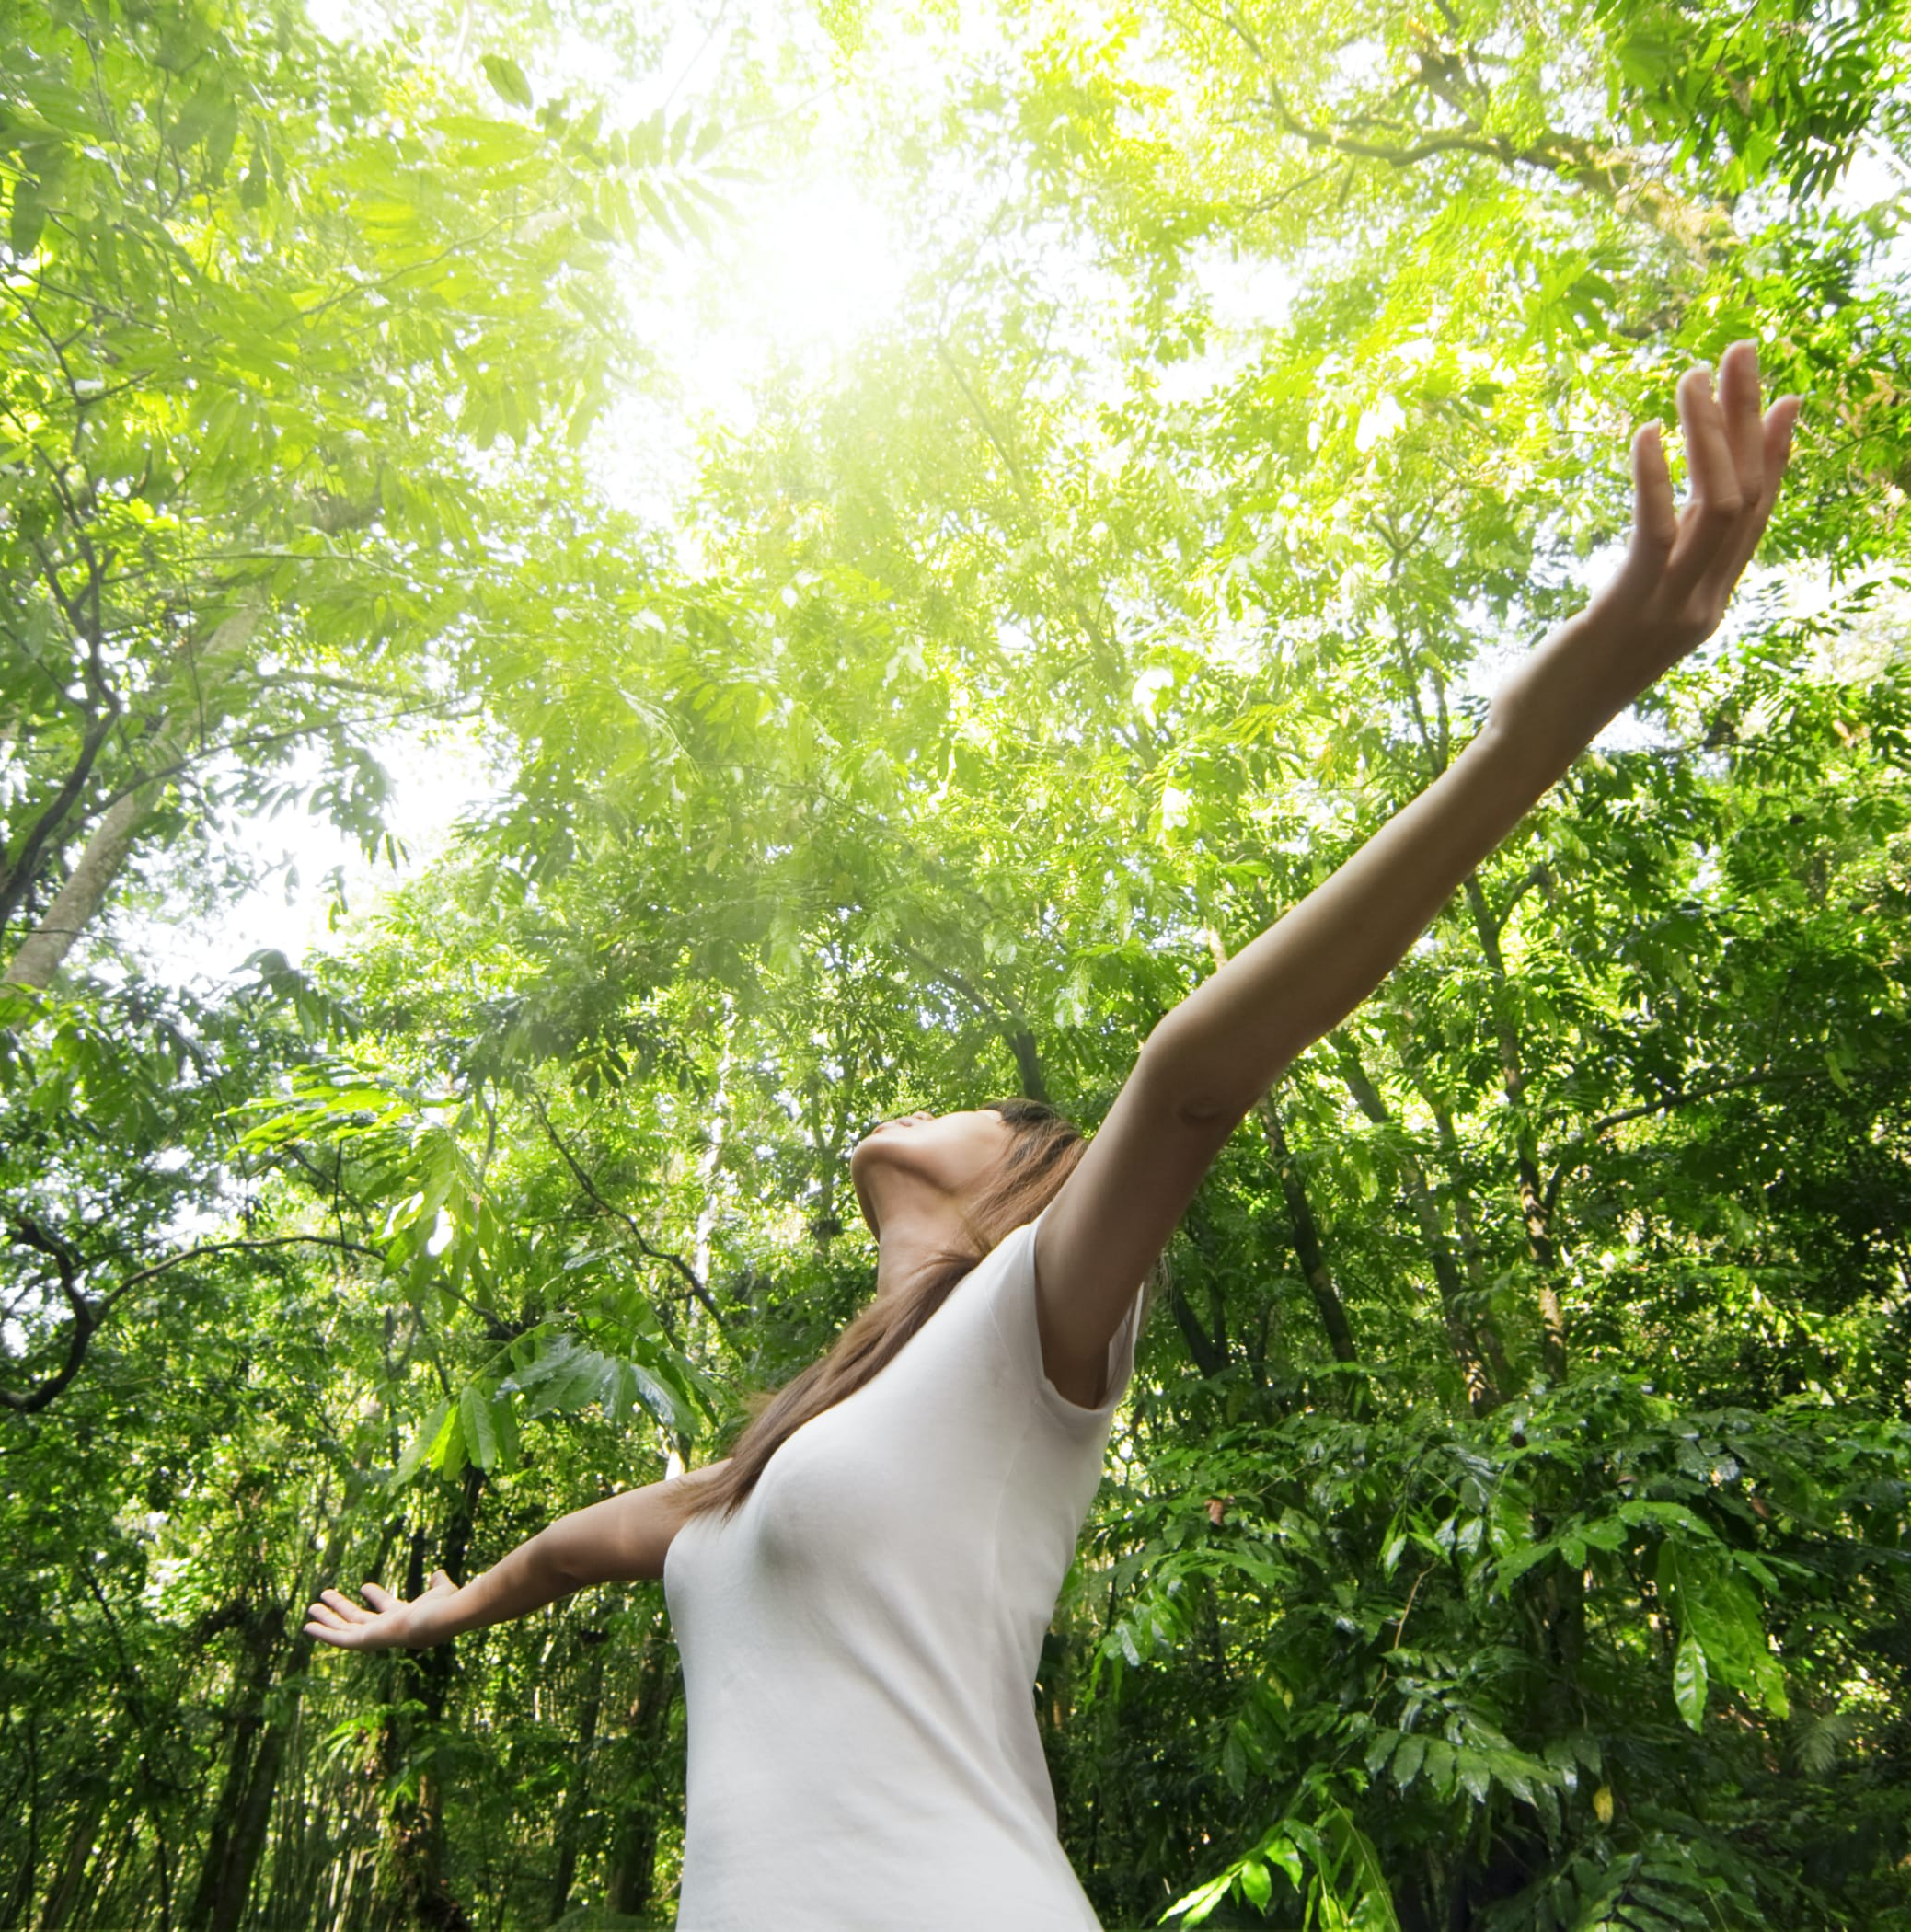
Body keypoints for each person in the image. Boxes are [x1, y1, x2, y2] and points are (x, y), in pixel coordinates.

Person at [306, 345, 1802, 1927]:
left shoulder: (1033, 1325)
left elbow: (1190, 1077)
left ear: (1019, 1182)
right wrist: (435, 1614)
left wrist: (1549, 715)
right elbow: (561, 1550)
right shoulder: (757, 1474)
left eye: (987, 1110)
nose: (928, 1105)